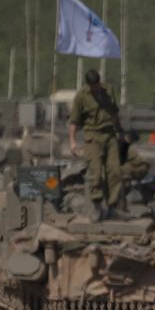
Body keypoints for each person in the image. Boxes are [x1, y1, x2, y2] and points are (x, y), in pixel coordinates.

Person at [68, 68, 124, 218]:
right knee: (96, 172)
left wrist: (120, 131)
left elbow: (114, 112)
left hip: (109, 134)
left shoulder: (108, 90)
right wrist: (72, 141)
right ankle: (97, 206)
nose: (96, 88)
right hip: (92, 136)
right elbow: (74, 120)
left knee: (115, 171)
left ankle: (112, 206)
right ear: (88, 85)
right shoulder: (81, 96)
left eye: (97, 84)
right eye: (93, 85)